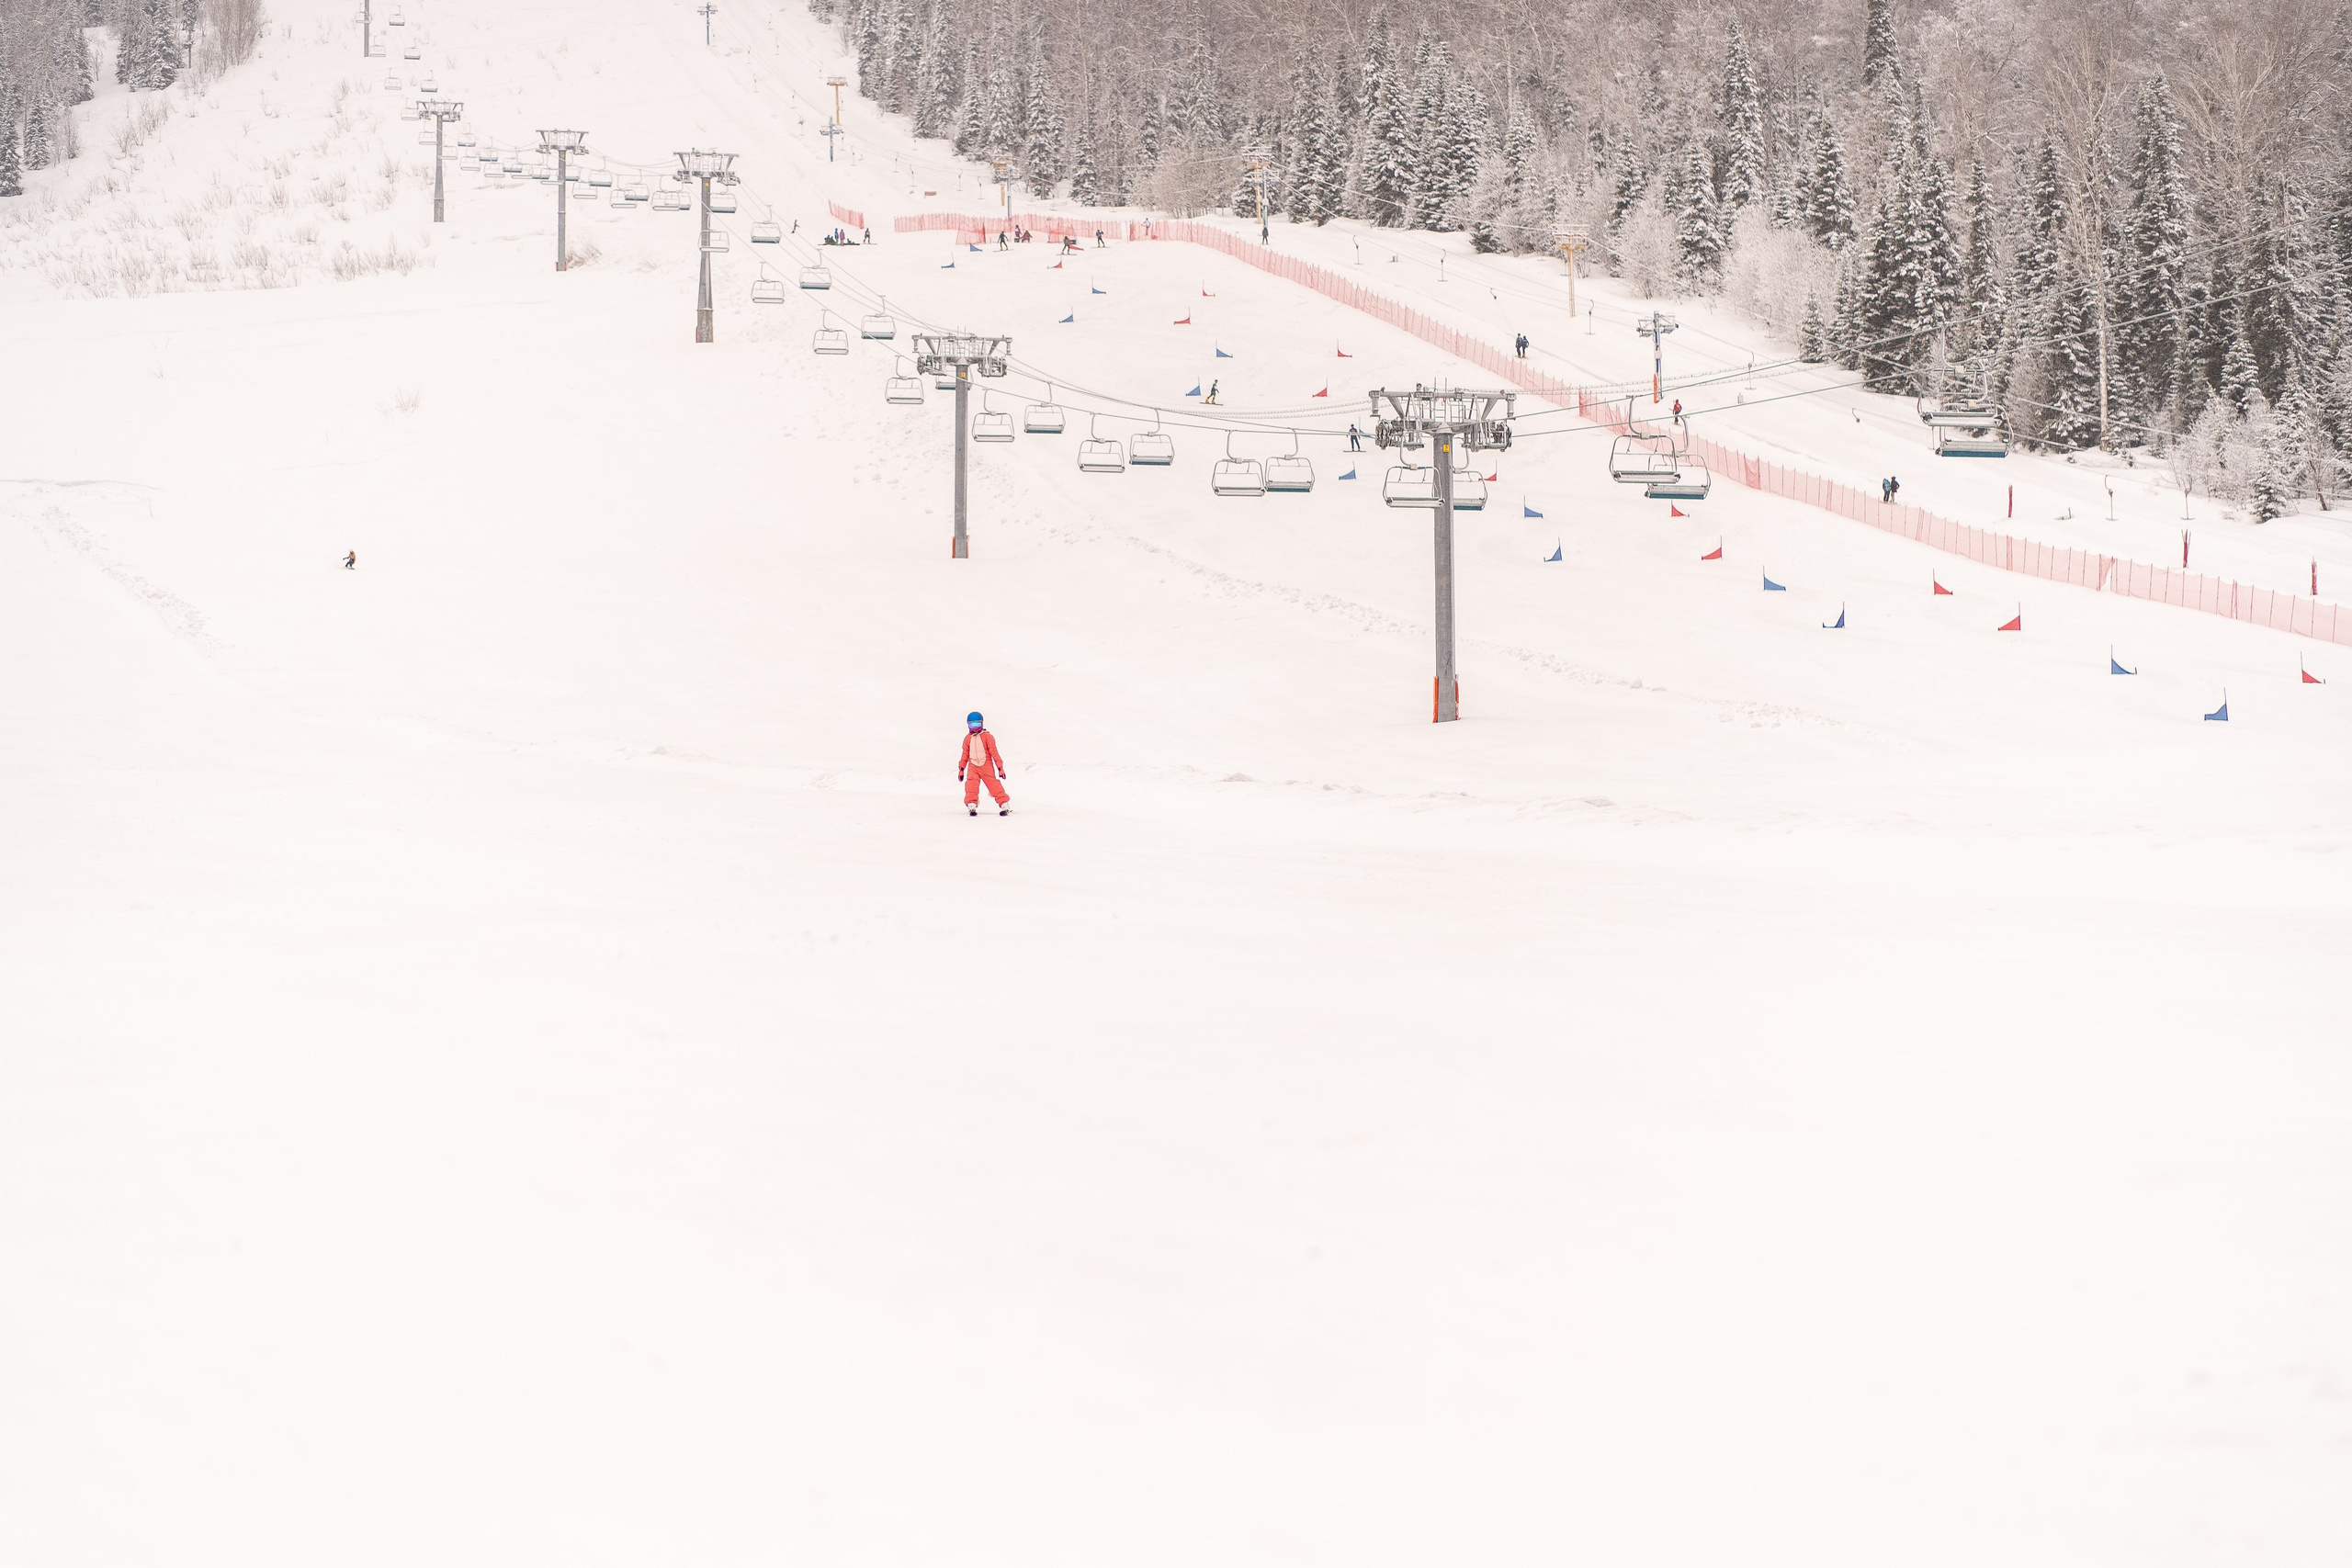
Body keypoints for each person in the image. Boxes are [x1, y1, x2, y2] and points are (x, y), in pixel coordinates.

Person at [959, 712, 1010, 817]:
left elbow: (994, 752)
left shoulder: (987, 737)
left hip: (986, 765)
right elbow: (965, 754)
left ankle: (1004, 803)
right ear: (968, 725)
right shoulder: (968, 739)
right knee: (971, 785)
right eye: (972, 725)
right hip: (973, 766)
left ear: (982, 723)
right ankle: (971, 804)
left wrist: (1000, 767)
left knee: (993, 785)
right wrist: (961, 769)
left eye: (977, 724)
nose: (975, 727)